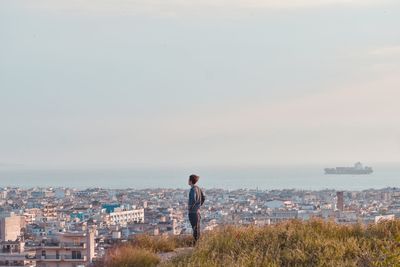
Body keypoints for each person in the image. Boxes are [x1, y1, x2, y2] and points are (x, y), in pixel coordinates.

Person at [188, 174, 205, 243]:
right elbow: (203, 198)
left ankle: (196, 244)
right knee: (197, 228)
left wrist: (190, 207)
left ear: (191, 181)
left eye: (188, 180)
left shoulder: (193, 189)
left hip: (193, 212)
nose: (188, 181)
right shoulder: (198, 188)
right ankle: (198, 244)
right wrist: (199, 206)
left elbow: (193, 199)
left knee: (194, 228)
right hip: (198, 212)